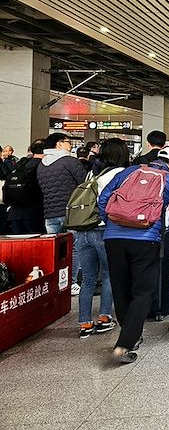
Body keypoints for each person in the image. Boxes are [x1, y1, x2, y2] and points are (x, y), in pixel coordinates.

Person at [98, 145, 169, 364]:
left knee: (120, 287)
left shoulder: (128, 172)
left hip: (114, 239)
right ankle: (125, 343)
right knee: (143, 291)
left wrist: (114, 223)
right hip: (145, 240)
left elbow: (103, 200)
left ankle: (131, 336)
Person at [75, 138, 129, 339]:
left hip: (83, 231)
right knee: (108, 275)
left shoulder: (92, 172)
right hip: (104, 230)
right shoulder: (121, 175)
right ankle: (105, 317)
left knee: (88, 279)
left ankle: (84, 322)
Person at [38, 133, 88, 295]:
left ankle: (55, 282)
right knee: (74, 248)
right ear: (59, 144)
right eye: (68, 142)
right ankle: (71, 282)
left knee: (55, 249)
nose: (70, 145)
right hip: (70, 213)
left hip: (49, 214)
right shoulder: (70, 161)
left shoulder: (42, 164)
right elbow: (84, 184)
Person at [5, 139, 45, 234]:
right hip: (35, 212)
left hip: (14, 213)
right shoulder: (44, 165)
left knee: (17, 246)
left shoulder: (21, 164)